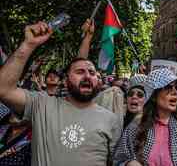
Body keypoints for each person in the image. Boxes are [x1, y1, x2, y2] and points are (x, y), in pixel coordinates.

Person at [0, 21, 122, 166]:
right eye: (80, 72)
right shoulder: (41, 106)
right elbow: (4, 89)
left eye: (92, 72)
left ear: (98, 80)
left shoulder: (111, 119)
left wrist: (87, 40)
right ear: (64, 81)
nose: (87, 76)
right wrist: (28, 44)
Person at [114, 68, 177, 166]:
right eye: (168, 87)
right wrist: (129, 163)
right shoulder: (135, 127)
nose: (175, 92)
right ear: (153, 95)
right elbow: (118, 160)